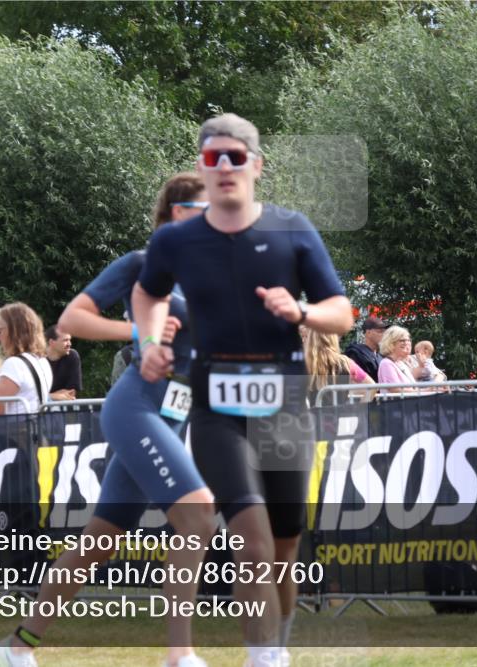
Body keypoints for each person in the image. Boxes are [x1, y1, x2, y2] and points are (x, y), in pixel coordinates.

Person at [134, 114, 354, 667]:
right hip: (216, 408)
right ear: (202, 169)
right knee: (251, 544)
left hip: (284, 404)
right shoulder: (176, 240)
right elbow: (147, 294)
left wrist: (299, 309)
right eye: (213, 159)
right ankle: (264, 659)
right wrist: (149, 342)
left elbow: (342, 313)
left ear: (257, 165)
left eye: (236, 157)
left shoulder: (293, 229)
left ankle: (276, 648)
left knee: (282, 548)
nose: (225, 167)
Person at [0, 172, 215, 667]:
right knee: (197, 511)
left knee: (97, 545)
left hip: (172, 415)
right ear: (180, 214)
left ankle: (14, 648)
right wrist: (139, 330)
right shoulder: (142, 266)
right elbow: (72, 320)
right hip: (136, 407)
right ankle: (181, 655)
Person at [304, 329, 374, 405]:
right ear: (333, 338)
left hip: (310, 415)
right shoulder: (346, 363)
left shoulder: (303, 363)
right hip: (337, 414)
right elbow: (371, 386)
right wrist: (360, 409)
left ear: (310, 339)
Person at [44, 324, 82, 400]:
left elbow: (71, 393)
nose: (70, 344)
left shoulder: (72, 356)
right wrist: (53, 396)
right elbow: (33, 394)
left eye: (69, 340)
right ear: (52, 342)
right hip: (39, 407)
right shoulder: (37, 359)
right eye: (65, 340)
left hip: (64, 406)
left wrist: (47, 396)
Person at [377, 326, 419, 392]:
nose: (407, 343)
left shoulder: (400, 363)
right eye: (402, 340)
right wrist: (426, 390)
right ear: (391, 343)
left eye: (408, 340)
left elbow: (413, 388)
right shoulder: (386, 364)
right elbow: (395, 389)